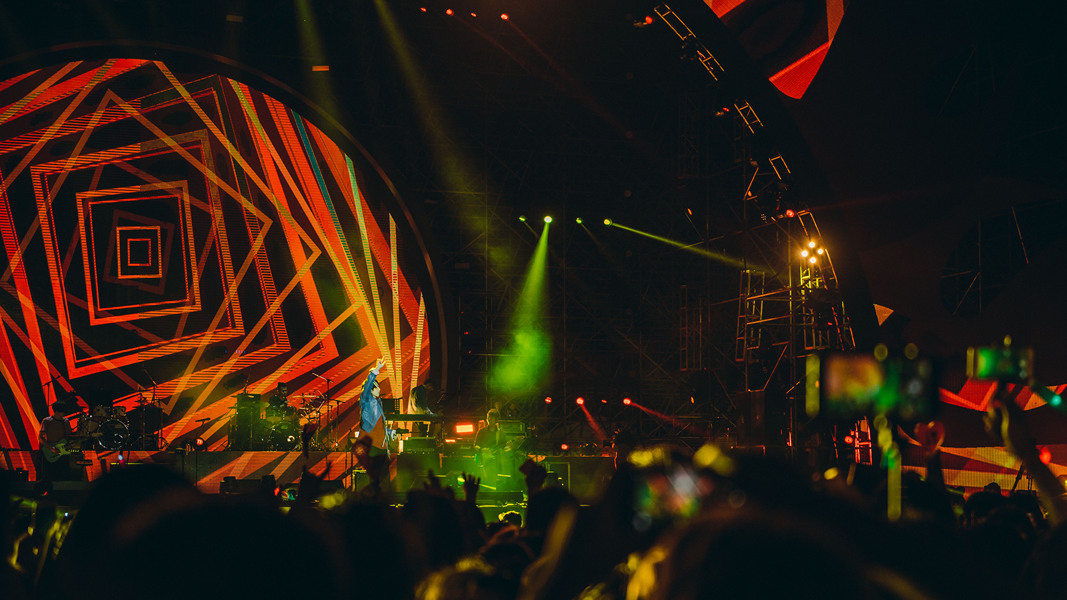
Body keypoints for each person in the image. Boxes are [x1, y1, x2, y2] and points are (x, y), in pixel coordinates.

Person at [37, 401, 82, 484]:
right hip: (50, 450)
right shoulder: (46, 421)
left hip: (62, 453)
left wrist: (75, 439)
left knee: (63, 475)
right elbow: (40, 438)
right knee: (50, 476)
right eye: (63, 411)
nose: (64, 413)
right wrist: (51, 449)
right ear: (57, 411)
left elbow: (68, 436)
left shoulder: (66, 421)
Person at [475, 409, 508, 490]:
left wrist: (511, 445)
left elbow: (504, 448)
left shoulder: (500, 433)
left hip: (496, 461)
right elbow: (475, 446)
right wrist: (482, 450)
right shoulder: (482, 431)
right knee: (485, 482)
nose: (489, 419)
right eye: (488, 418)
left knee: (496, 482)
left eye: (491, 418)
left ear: (496, 419)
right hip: (485, 460)